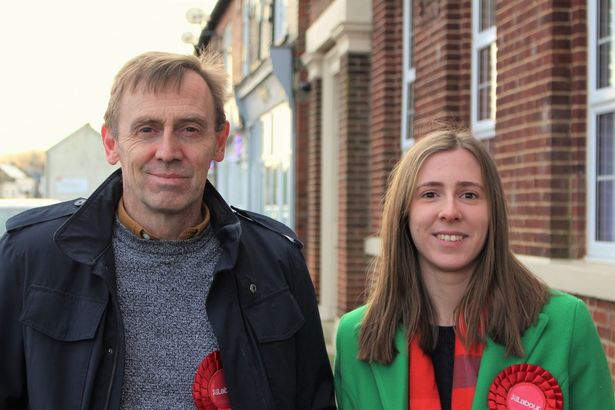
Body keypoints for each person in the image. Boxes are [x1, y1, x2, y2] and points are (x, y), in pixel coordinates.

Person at [0, 51, 336, 410]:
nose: (168, 151)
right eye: (147, 129)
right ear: (111, 144)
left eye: (189, 129)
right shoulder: (30, 258)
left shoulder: (277, 262)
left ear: (219, 141)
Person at [334, 130, 615, 410]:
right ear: (404, 212)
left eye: (469, 195)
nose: (450, 211)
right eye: (430, 194)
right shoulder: (355, 338)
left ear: (493, 211)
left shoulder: (566, 324)